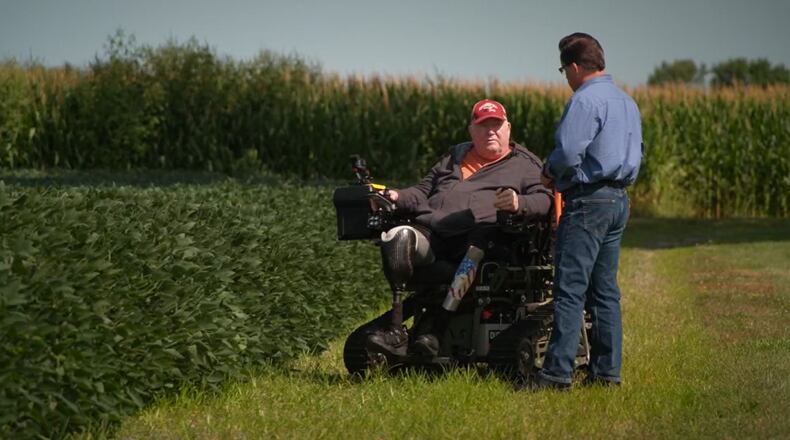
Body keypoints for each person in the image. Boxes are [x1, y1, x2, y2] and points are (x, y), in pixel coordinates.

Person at [367, 99, 552, 358]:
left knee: (475, 248)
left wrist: (517, 202)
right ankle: (395, 330)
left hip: (480, 240)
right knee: (397, 236)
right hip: (433, 231)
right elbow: (421, 192)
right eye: (483, 126)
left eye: (496, 125)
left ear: (508, 128)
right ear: (471, 130)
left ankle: (437, 331)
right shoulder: (453, 157)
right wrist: (395, 196)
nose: (491, 131)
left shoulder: (523, 164)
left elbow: (545, 200)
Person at [535, 33, 643, 389]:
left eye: (564, 70)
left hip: (588, 201)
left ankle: (555, 374)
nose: (565, 77)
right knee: (606, 291)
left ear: (576, 67)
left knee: (570, 290)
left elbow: (568, 152)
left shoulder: (585, 100)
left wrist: (550, 171)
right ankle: (606, 374)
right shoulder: (626, 101)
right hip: (618, 200)